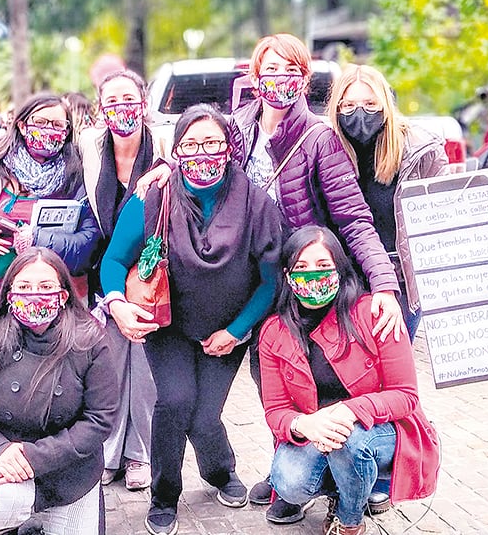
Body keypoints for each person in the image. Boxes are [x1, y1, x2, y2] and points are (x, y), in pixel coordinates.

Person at [136, 34, 403, 523]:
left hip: (301, 280)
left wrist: (383, 285)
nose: (279, 80)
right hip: (246, 280)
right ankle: (291, 467)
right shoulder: (239, 126)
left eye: (290, 70)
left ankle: (320, 474)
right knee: (273, 380)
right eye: (270, 70)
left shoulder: (319, 139)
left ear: (304, 78)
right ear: (254, 77)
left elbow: (354, 219)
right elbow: (201, 150)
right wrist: (165, 166)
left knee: (303, 376)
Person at [101, 104, 284, 535]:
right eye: (192, 144)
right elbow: (114, 260)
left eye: (213, 143)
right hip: (167, 326)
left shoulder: (256, 204)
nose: (203, 154)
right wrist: (117, 303)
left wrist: (236, 331)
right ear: (177, 150)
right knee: (175, 402)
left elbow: (270, 280)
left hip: (227, 328)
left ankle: (220, 471)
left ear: (229, 148)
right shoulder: (153, 197)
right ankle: (164, 495)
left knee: (205, 417)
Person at [258, 225, 440, 535]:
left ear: (340, 270)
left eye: (323, 265)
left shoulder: (375, 314)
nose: (312, 276)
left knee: (350, 441)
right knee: (289, 480)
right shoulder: (274, 332)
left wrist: (349, 411)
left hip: (378, 431)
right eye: (301, 267)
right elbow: (275, 410)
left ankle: (349, 520)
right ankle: (344, 486)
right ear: (288, 276)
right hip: (318, 432)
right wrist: (304, 425)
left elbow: (406, 395)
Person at [0, 247, 119, 535]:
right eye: (24, 287)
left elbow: (99, 419)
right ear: (9, 294)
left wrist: (32, 457)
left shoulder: (90, 340)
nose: (35, 295)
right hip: (4, 461)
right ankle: (14, 519)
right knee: (0, 509)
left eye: (46, 287)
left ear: (63, 295)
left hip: (69, 469)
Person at [327, 64, 450, 340]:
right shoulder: (326, 147)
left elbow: (448, 210)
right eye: (349, 106)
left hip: (401, 278)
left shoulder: (420, 150)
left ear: (386, 102)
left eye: (370, 104)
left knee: (395, 358)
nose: (360, 113)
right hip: (345, 278)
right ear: (337, 108)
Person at [80, 69, 159, 490]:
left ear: (143, 104)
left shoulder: (163, 144)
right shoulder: (90, 148)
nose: (121, 108)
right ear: (100, 108)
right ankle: (108, 453)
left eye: (129, 99)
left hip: (152, 274)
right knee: (109, 366)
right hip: (105, 269)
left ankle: (140, 454)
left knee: (145, 370)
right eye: (112, 101)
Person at [0, 92, 99, 303]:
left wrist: (38, 241)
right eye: (40, 122)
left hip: (50, 296)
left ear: (67, 131)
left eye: (57, 125)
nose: (48, 130)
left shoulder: (78, 176)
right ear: (22, 126)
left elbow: (89, 243)